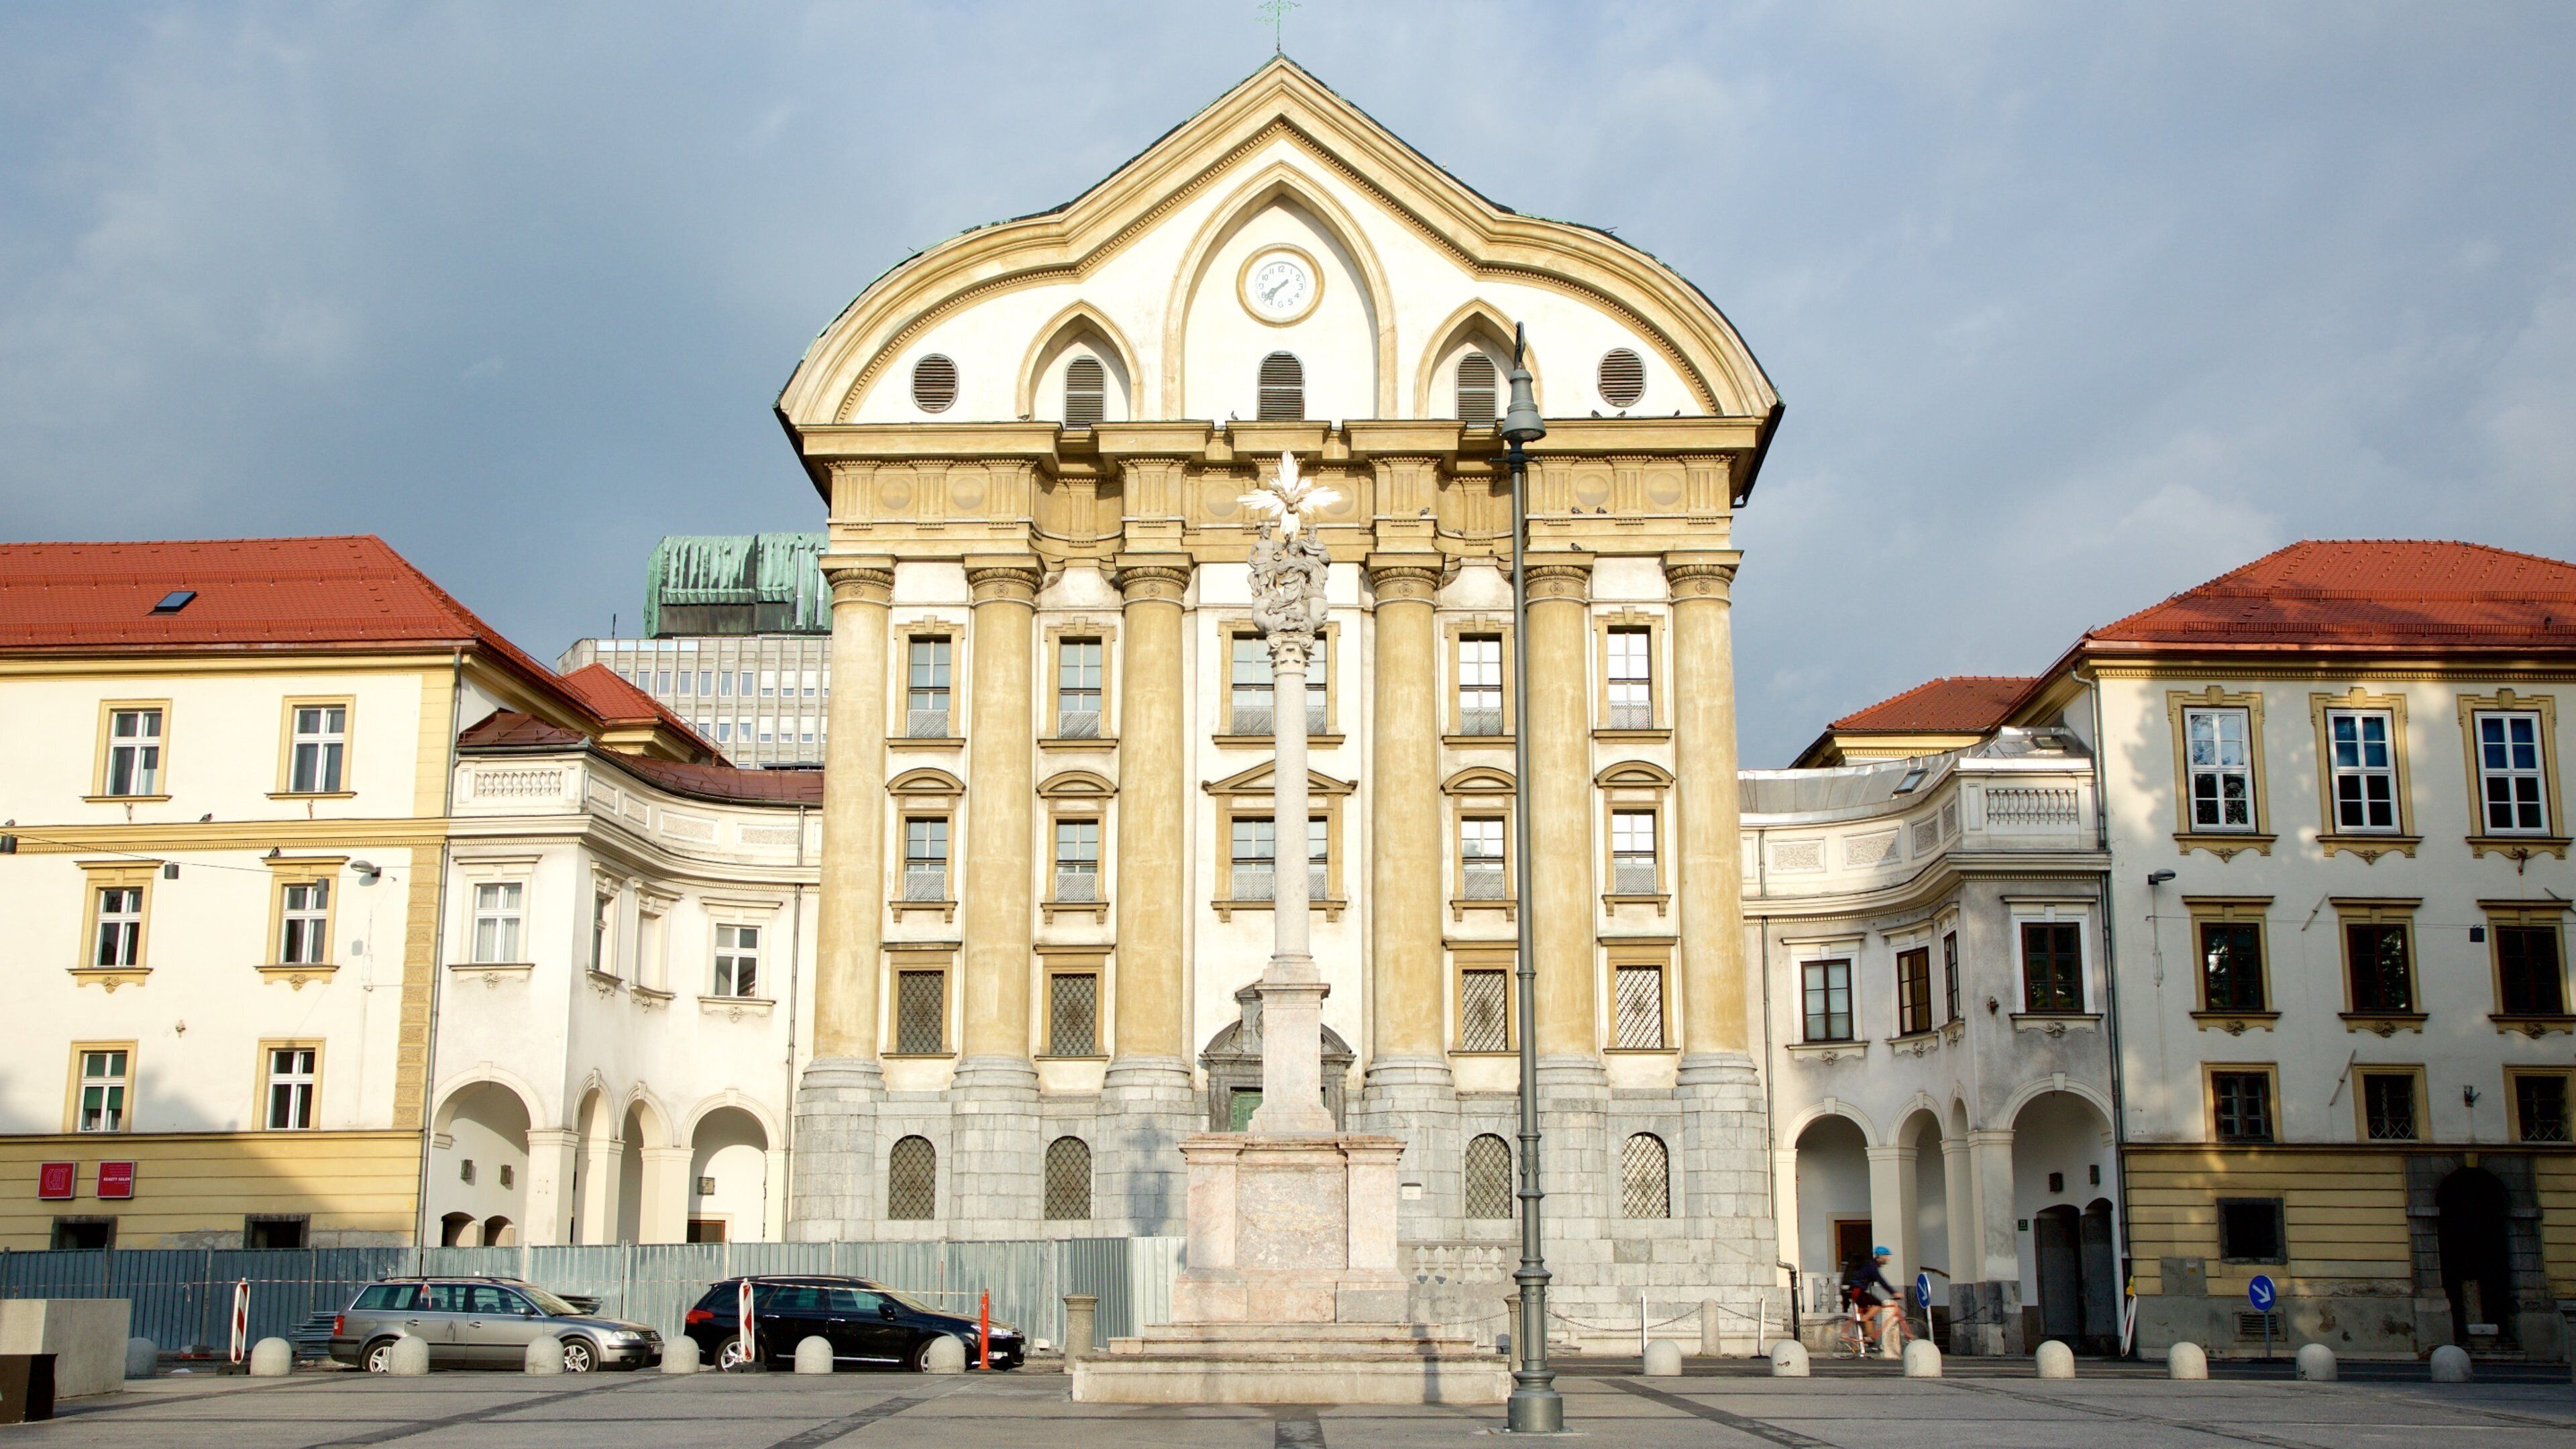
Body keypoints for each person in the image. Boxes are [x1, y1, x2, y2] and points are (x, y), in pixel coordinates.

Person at [1842, 1246, 1902, 1356]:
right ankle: (1863, 1322)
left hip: (1857, 1290)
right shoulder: (1872, 1266)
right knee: (1878, 1304)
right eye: (1885, 1256)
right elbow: (1881, 1281)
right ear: (1879, 1257)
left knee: (1870, 1313)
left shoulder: (1872, 1265)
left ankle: (1869, 1339)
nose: (1887, 1259)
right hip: (1856, 1290)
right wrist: (1894, 1293)